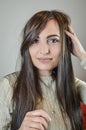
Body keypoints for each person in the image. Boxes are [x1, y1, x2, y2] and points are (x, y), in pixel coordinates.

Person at [0, 10, 86, 130]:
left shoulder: (73, 85)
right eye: (35, 40)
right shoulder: (8, 86)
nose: (44, 50)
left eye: (53, 40)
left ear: (66, 45)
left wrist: (83, 55)